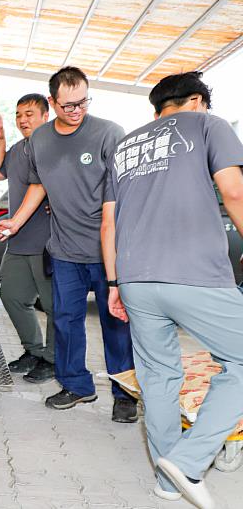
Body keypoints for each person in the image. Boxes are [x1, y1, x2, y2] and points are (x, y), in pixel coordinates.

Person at [102, 72, 243, 507]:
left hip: (136, 277)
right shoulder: (208, 125)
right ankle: (190, 459)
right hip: (195, 272)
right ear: (198, 100)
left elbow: (109, 222)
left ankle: (168, 482)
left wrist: (113, 284)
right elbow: (234, 192)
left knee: (159, 377)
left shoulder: (125, 146)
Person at [0, 66, 137, 423]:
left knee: (115, 324)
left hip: (108, 251)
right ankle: (76, 384)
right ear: (52, 102)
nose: (77, 110)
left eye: (82, 102)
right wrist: (16, 221)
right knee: (67, 322)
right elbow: (38, 184)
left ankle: (125, 394)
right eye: (68, 104)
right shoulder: (39, 140)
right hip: (64, 251)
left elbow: (121, 197)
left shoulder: (109, 133)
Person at [0, 94, 55, 383]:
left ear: (45, 115)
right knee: (12, 295)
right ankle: (34, 350)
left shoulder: (54, 146)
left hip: (48, 241)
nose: (23, 119)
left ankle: (53, 360)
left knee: (54, 306)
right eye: (18, 115)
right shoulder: (18, 149)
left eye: (29, 113)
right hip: (18, 240)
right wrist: (1, 141)